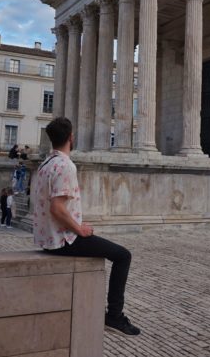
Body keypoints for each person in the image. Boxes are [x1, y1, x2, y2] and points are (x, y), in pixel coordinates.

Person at [32, 117, 140, 336]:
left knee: (114, 252)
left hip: (47, 238)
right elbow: (57, 208)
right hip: (64, 240)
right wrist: (79, 229)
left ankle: (114, 315)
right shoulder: (65, 165)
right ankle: (114, 316)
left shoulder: (45, 164)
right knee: (123, 256)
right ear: (71, 137)